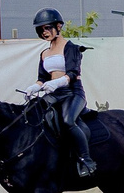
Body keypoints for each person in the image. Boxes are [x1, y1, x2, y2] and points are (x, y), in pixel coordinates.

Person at [30, 10, 95, 179]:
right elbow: (42, 78)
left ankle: (85, 160)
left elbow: (73, 73)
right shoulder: (44, 53)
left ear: (58, 26)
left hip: (72, 93)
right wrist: (34, 87)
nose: (44, 32)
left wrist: (56, 82)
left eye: (47, 28)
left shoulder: (70, 47)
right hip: (53, 94)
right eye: (41, 29)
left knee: (67, 120)